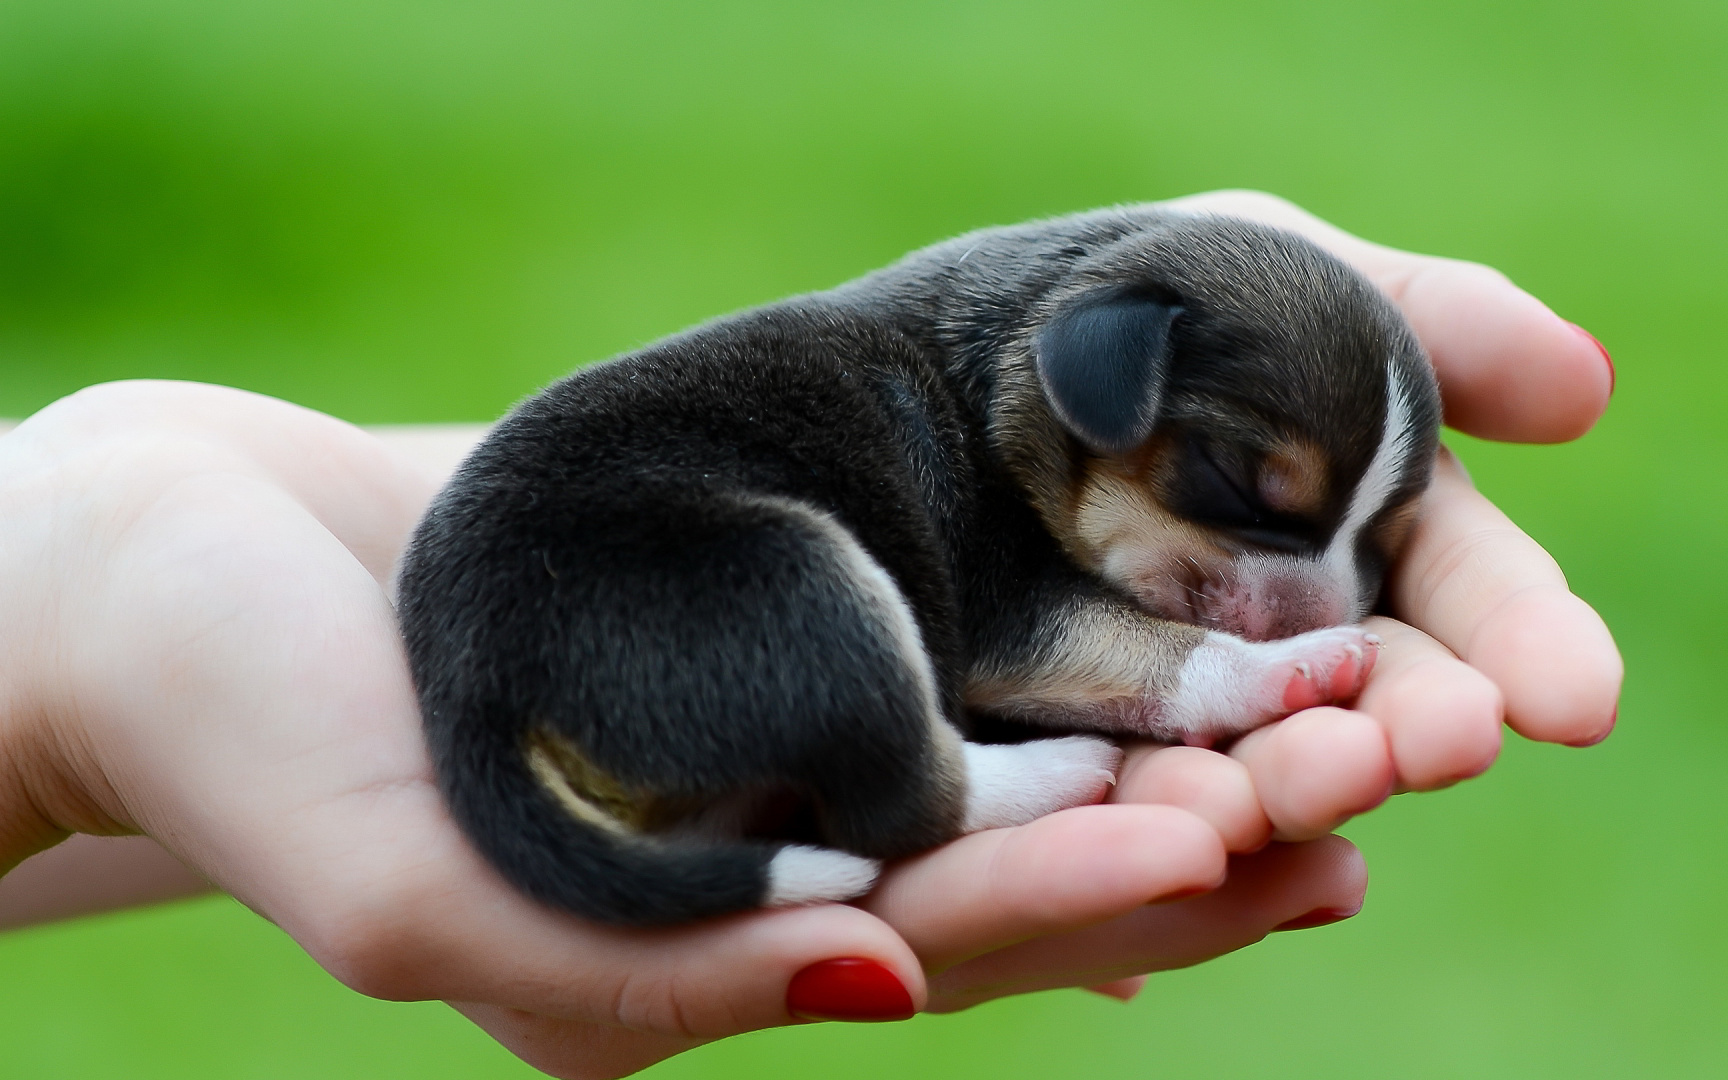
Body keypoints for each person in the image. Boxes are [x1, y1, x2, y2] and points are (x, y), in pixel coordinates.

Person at [0, 190, 1620, 1079]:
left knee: (833, 593)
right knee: (836, 599)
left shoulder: (967, 388)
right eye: (1246, 497)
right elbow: (1005, 628)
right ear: (1085, 371)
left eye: (1357, 544)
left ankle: (775, 794)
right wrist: (1214, 682)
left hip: (577, 613)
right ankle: (932, 791)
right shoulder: (964, 440)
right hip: (624, 580)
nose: (1306, 596)